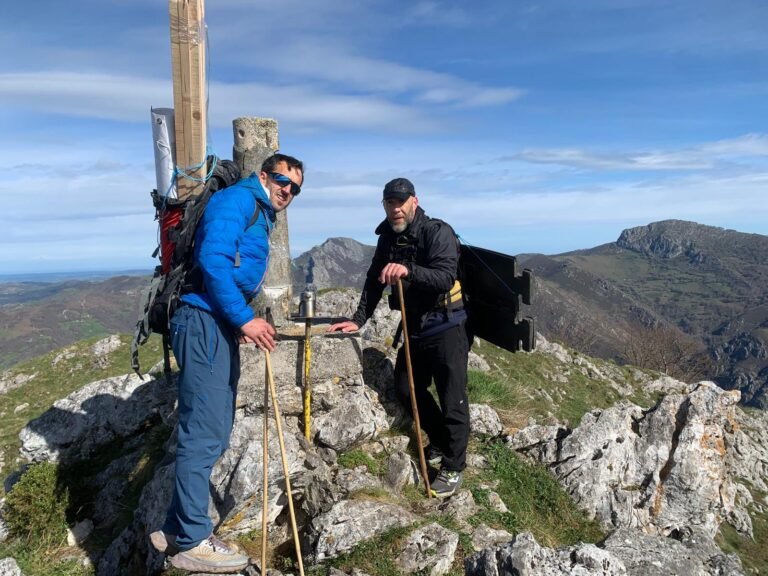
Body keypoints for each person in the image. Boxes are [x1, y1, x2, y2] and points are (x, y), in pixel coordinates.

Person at [150, 153, 304, 573]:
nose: (287, 191)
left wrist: (235, 318)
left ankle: (174, 529)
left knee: (212, 428)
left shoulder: (256, 209)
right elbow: (214, 262)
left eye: (294, 188)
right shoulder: (238, 200)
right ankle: (195, 542)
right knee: (205, 431)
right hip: (202, 320)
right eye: (280, 179)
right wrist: (245, 318)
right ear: (262, 175)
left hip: (212, 320)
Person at [328, 177, 469, 498]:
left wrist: (407, 271)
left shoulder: (437, 232)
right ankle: (442, 440)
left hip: (448, 326)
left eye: (400, 202)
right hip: (415, 327)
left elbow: (445, 277)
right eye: (389, 203)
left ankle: (454, 465)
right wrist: (358, 319)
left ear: (414, 203)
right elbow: (375, 279)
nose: (395, 209)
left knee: (453, 398)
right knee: (407, 389)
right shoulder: (388, 239)